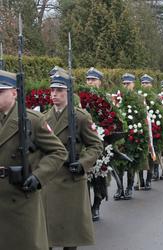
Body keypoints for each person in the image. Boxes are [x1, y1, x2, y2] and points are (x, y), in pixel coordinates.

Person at [0, 69, 68, 250]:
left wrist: (38, 176)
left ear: (14, 92)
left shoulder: (33, 120)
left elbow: (58, 152)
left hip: (20, 197)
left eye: (0, 92)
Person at [43, 70, 103, 250]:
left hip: (71, 180)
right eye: (52, 90)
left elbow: (95, 146)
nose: (54, 94)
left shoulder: (81, 117)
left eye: (59, 90)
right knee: (48, 234)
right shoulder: (44, 118)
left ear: (68, 92)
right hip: (49, 179)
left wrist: (83, 163)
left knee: (70, 235)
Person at [85, 67, 107, 221]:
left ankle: (96, 205)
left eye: (93, 79)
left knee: (99, 176)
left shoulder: (106, 99)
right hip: (85, 142)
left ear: (100, 81)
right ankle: (85, 206)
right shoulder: (81, 97)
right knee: (84, 176)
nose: (90, 82)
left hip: (102, 142)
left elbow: (114, 122)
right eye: (88, 79)